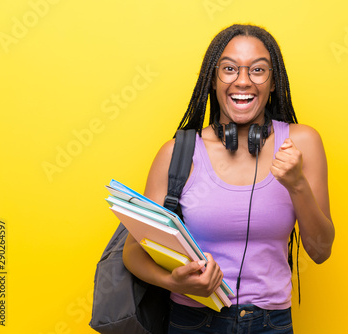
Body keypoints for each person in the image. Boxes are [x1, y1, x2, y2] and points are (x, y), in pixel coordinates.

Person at [123, 24, 335, 333]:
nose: (243, 81)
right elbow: (132, 253)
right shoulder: (177, 154)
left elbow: (320, 251)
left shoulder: (301, 143)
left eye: (258, 70)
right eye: (229, 69)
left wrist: (297, 185)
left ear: (273, 82)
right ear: (212, 79)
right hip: (193, 321)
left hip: (271, 324)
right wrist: (173, 281)